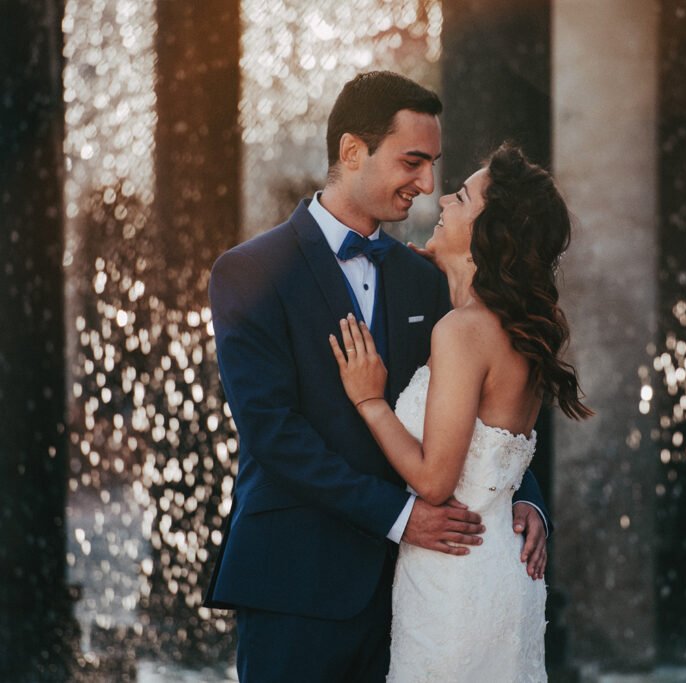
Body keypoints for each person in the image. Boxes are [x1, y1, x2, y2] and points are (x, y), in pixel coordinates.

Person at [203, 71, 551, 682]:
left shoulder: (425, 278)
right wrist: (399, 516)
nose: (428, 184)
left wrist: (522, 501)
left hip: (415, 593)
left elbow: (484, 405)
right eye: (413, 161)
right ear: (352, 151)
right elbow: (272, 434)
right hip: (296, 585)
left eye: (435, 165)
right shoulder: (248, 273)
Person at [330, 142, 592, 682]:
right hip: (499, 571)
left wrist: (370, 400)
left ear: (489, 231)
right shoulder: (513, 330)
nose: (444, 198)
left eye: (463, 196)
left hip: (453, 583)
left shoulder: (462, 333)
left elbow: (434, 480)